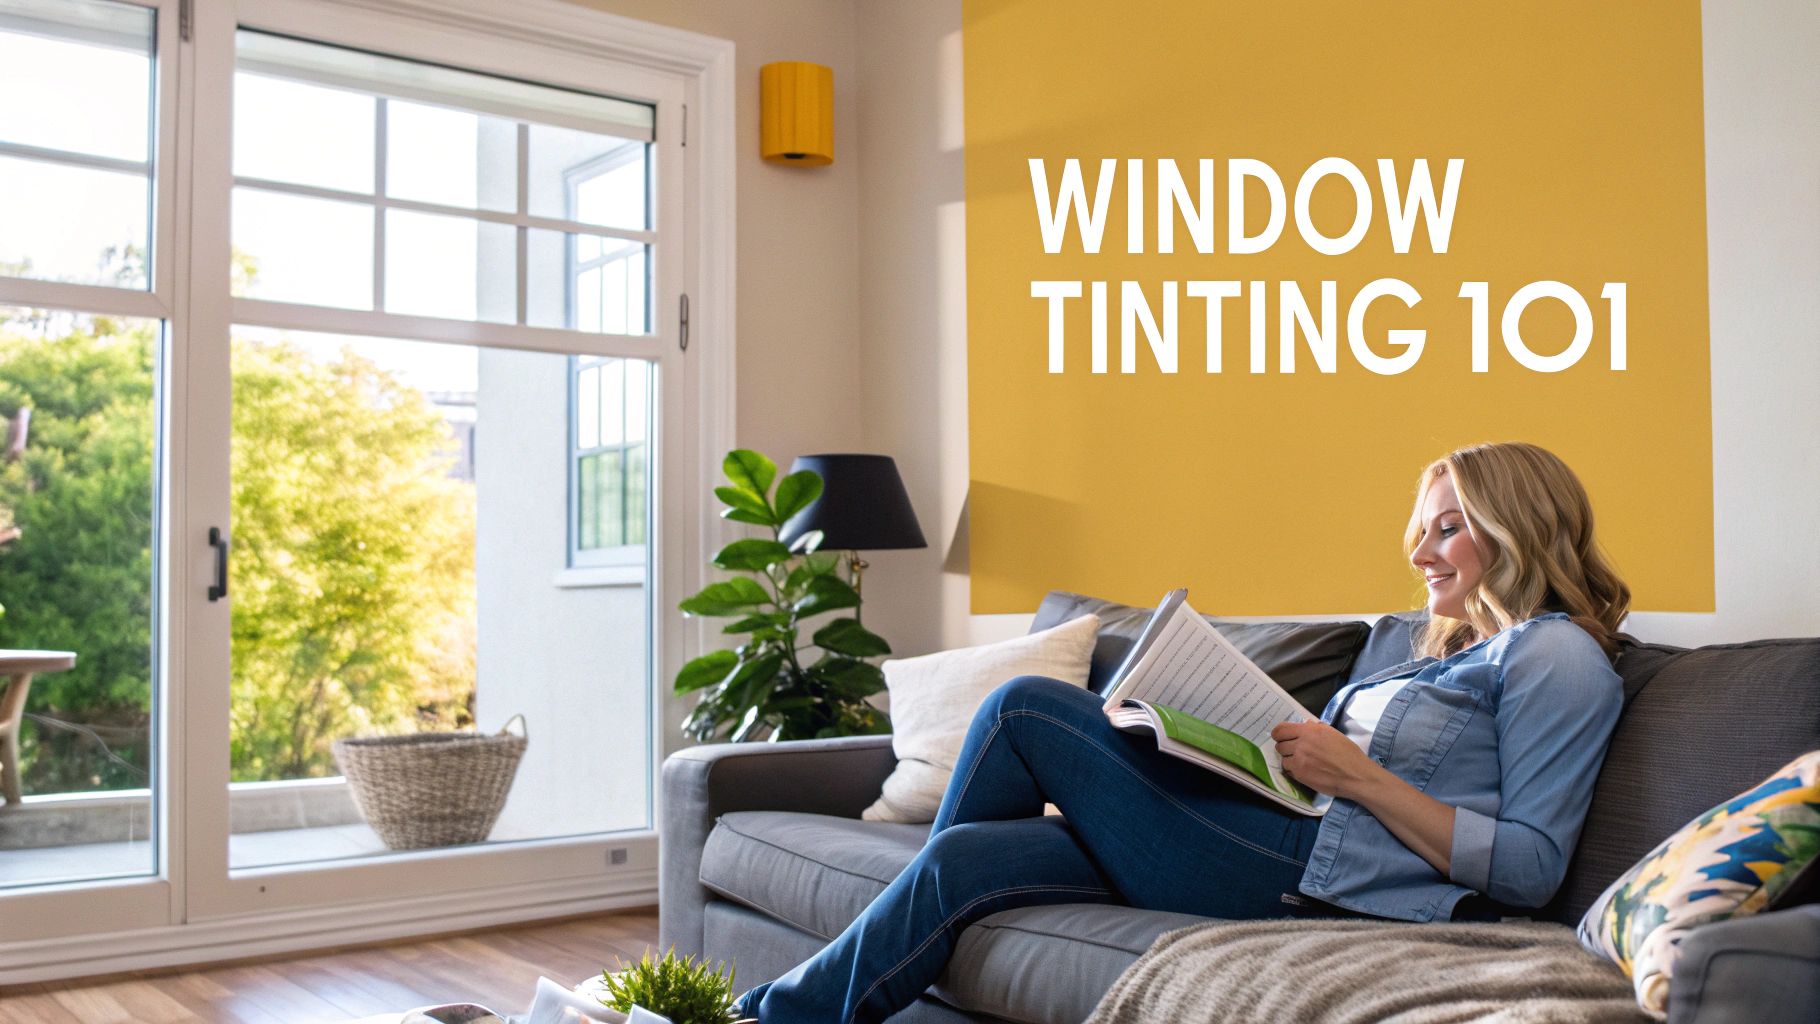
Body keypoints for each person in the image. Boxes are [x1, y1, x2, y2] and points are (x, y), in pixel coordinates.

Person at [734, 441, 1632, 1024]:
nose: (1419, 548)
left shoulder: (1557, 659)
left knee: (1026, 708)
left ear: (1517, 529)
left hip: (1314, 883)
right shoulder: (1433, 651)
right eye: (1420, 527)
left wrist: (1359, 777)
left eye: (1448, 527)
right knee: (964, 865)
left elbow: (1529, 869)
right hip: (1271, 829)